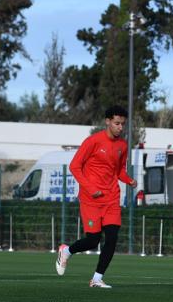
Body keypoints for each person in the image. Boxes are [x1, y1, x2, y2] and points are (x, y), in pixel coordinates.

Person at [55, 105, 137, 289]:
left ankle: (97, 278)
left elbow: (119, 171)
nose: (120, 128)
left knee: (112, 238)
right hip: (90, 199)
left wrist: (129, 180)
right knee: (93, 240)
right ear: (107, 121)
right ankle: (66, 251)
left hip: (111, 199)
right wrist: (91, 188)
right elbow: (74, 166)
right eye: (117, 123)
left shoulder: (123, 145)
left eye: (123, 124)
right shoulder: (92, 141)